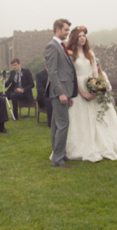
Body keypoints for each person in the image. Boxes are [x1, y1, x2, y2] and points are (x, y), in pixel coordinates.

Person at [62, 26, 117, 162]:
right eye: (80, 36)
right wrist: (81, 92)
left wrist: (95, 88)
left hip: (91, 84)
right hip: (77, 87)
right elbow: (72, 75)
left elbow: (94, 71)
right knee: (80, 118)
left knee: (99, 118)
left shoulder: (90, 53)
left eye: (84, 36)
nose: (82, 38)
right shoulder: (70, 54)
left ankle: (103, 145)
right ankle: (81, 147)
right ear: (75, 38)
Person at [45, 19, 78, 168]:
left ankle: (59, 155)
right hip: (59, 93)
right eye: (65, 30)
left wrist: (69, 94)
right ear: (57, 29)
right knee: (63, 124)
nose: (67, 33)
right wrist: (61, 93)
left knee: (56, 125)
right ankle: (58, 159)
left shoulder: (61, 46)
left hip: (65, 92)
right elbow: (53, 72)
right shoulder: (52, 46)